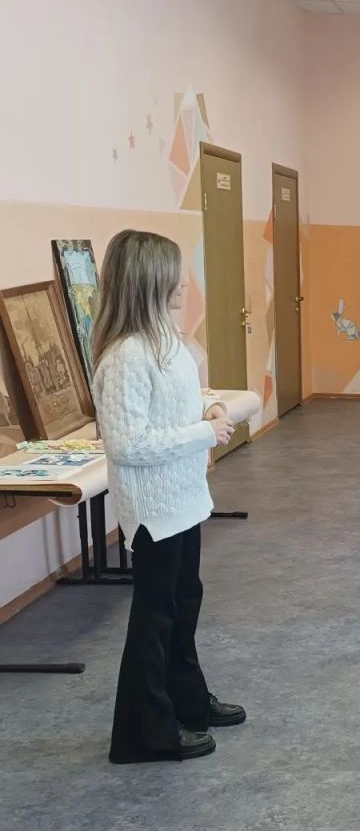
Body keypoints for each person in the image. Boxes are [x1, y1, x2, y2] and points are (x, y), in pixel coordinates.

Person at [91, 230, 246, 764]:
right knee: (154, 618)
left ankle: (187, 702)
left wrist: (206, 410)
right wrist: (205, 433)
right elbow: (127, 445)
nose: (184, 282)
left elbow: (174, 406)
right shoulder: (126, 356)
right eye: (174, 274)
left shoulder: (166, 341)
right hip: (153, 512)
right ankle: (144, 734)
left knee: (184, 604)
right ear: (147, 282)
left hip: (184, 500)